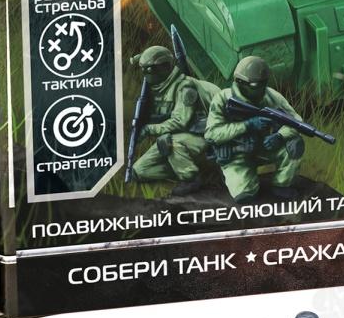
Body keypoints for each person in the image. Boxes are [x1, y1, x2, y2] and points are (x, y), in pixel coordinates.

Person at [204, 56, 305, 201]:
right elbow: (211, 133)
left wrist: (280, 136)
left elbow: (297, 122)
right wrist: (247, 125)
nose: (261, 88)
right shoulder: (223, 99)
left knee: (295, 143)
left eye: (264, 83)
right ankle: (234, 179)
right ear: (239, 81)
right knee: (245, 195)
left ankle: (282, 184)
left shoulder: (272, 97)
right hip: (237, 152)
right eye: (255, 85)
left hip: (265, 146)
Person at [128, 45, 217, 196]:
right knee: (139, 171)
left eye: (150, 69)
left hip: (208, 135)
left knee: (169, 142)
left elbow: (180, 122)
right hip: (186, 136)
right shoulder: (160, 88)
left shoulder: (185, 88)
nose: (147, 74)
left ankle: (191, 178)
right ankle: (188, 167)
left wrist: (149, 129)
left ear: (165, 67)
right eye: (144, 70)